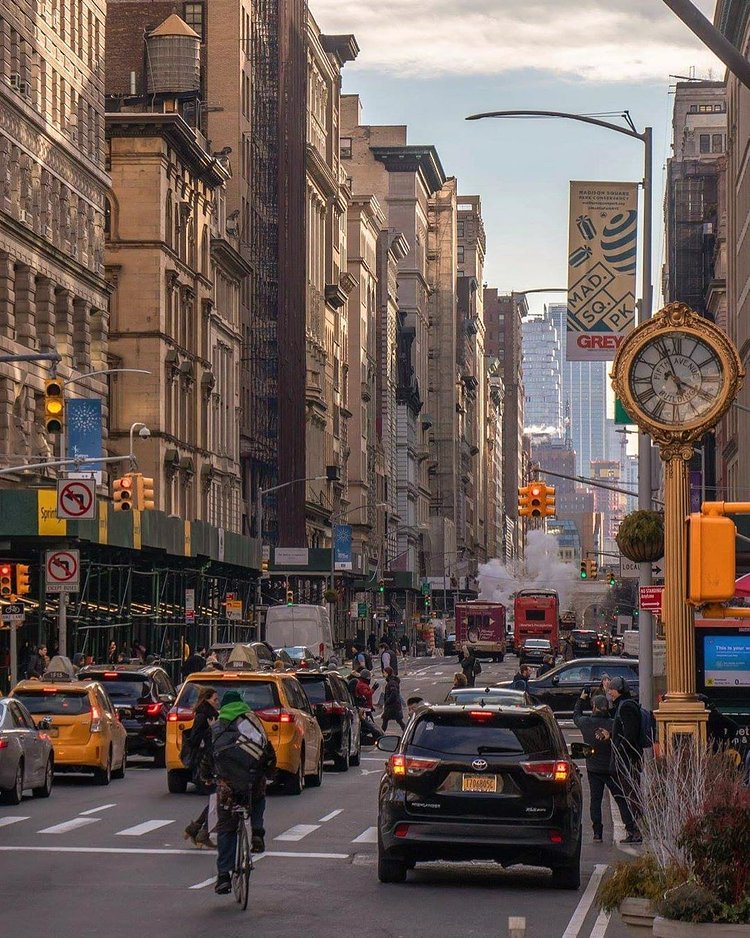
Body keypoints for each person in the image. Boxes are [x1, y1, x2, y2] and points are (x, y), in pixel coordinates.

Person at [211, 690, 275, 895]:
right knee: (259, 796)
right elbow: (268, 749)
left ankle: (223, 876)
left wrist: (206, 775)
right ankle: (257, 832)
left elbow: (208, 755)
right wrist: (270, 772)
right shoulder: (252, 722)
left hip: (228, 784)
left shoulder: (217, 727)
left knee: (226, 827)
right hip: (252, 780)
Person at [574, 689, 638, 843]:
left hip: (593, 768)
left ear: (593, 707)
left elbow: (576, 716)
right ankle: (630, 827)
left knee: (595, 801)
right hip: (611, 768)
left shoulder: (586, 723)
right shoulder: (612, 724)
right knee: (620, 799)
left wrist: (581, 699)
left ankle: (597, 832)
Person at [596, 676, 643, 844]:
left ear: (619, 690)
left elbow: (629, 734)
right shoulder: (623, 706)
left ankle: (635, 830)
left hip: (627, 760)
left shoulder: (626, 707)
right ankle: (633, 830)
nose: (609, 693)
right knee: (628, 794)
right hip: (627, 758)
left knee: (630, 795)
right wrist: (612, 737)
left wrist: (620, 749)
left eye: (612, 690)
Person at [184, 686, 220, 847]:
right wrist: (212, 729)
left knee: (216, 798)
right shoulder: (204, 715)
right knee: (218, 798)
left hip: (209, 760)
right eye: (215, 699)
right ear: (207, 699)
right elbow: (194, 739)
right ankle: (202, 832)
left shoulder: (208, 714)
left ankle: (196, 828)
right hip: (207, 761)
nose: (217, 702)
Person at [354, 669, 383, 741]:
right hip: (365, 708)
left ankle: (376, 736)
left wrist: (371, 707)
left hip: (366, 707)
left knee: (369, 723)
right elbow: (367, 695)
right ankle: (378, 737)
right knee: (370, 724)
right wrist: (373, 689)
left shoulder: (362, 684)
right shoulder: (362, 685)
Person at [381, 667, 405, 732]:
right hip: (394, 705)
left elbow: (394, 693)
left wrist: (387, 701)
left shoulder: (391, 682)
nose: (383, 674)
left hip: (392, 706)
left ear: (387, 673)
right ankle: (406, 731)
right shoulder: (392, 681)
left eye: (384, 672)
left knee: (385, 720)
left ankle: (380, 735)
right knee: (398, 721)